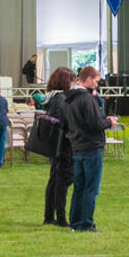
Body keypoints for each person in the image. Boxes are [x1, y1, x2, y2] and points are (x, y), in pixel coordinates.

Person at [66, 66, 117, 233]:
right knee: (91, 188)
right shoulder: (86, 99)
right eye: (96, 80)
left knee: (79, 187)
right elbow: (95, 124)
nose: (97, 84)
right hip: (91, 147)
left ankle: (75, 221)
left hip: (78, 146)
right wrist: (109, 123)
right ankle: (86, 223)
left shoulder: (71, 98)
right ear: (88, 80)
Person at [41, 67, 77, 226]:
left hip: (56, 145)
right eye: (72, 80)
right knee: (62, 182)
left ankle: (49, 216)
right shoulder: (61, 99)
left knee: (54, 182)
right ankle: (60, 218)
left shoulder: (52, 98)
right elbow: (66, 121)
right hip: (64, 145)